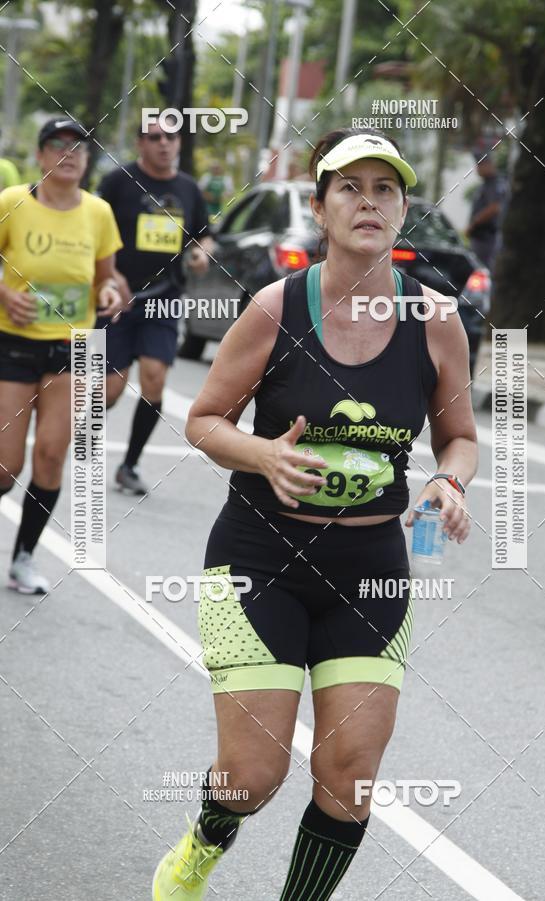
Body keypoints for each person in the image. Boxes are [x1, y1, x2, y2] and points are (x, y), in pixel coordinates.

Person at [151, 128, 478, 900]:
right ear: (321, 208)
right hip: (259, 559)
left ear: (402, 209)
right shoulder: (275, 306)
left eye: (385, 189)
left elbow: (458, 436)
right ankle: (206, 838)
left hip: (370, 571)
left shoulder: (436, 318)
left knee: (351, 772)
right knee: (253, 776)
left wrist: (450, 483)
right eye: (350, 188)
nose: (369, 202)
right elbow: (204, 418)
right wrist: (262, 454)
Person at [0, 118, 123, 593]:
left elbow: (105, 277)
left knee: (51, 454)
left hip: (76, 346)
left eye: (78, 148)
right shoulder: (13, 203)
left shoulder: (98, 212)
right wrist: (5, 296)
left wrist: (109, 292)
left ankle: (24, 558)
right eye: (57, 145)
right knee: (6, 464)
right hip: (13, 342)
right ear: (41, 156)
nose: (68, 154)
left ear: (88, 161)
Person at [97, 120, 213, 495]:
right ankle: (79, 433)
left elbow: (205, 235)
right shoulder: (117, 182)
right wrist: (111, 276)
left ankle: (129, 464)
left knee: (154, 379)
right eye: (154, 137)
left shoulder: (188, 189)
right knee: (111, 389)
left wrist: (200, 254)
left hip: (164, 298)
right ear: (140, 143)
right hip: (118, 299)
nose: (164, 144)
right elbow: (94, 232)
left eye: (171, 137)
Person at [466, 150, 508, 271]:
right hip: (481, 238)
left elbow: (494, 208)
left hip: (486, 238)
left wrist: (474, 223)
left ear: (488, 164)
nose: (477, 168)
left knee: (483, 271)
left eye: (480, 164)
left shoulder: (494, 183)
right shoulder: (486, 184)